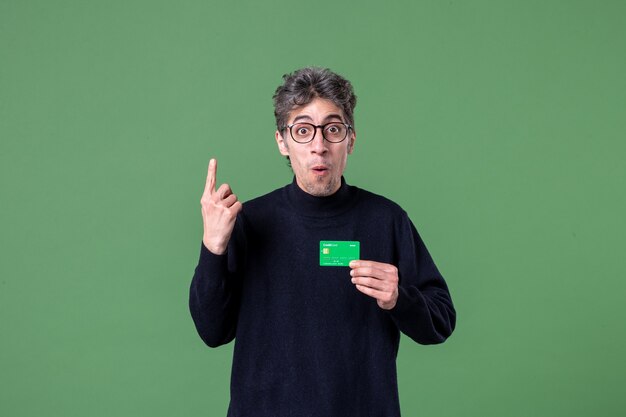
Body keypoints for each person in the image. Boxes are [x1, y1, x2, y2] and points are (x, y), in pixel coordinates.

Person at [189, 67, 456, 417]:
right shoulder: (249, 222)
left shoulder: (386, 220)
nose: (319, 146)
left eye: (332, 129)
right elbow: (212, 331)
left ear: (351, 139)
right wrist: (213, 247)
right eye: (303, 130)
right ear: (282, 142)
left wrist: (399, 298)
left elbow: (441, 321)